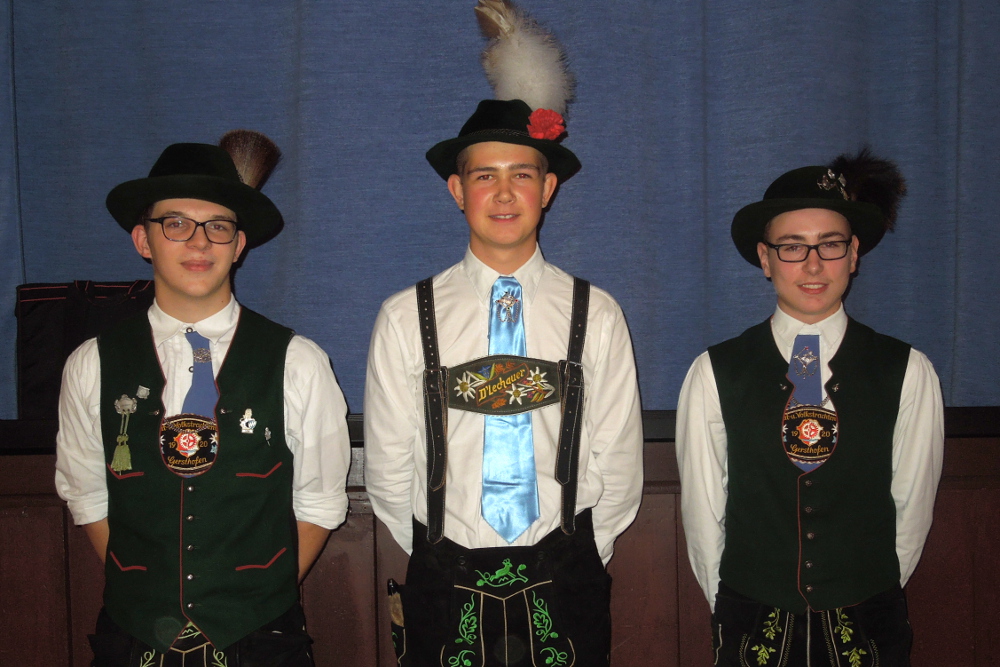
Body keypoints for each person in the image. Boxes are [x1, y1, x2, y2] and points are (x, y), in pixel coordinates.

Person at [54, 132, 351, 667]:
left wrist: (253, 604)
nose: (199, 243)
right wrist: (151, 599)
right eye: (176, 224)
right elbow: (89, 498)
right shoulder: (91, 364)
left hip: (262, 640)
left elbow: (320, 503)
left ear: (239, 245)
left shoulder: (299, 362)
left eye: (217, 226)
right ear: (143, 240)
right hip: (133, 639)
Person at [676, 151, 944, 666]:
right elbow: (704, 513)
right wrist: (733, 604)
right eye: (793, 247)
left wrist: (868, 591)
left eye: (831, 244)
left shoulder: (907, 370)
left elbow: (912, 507)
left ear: (854, 253)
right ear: (765, 258)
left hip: (867, 624)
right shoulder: (714, 371)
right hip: (752, 621)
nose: (814, 264)